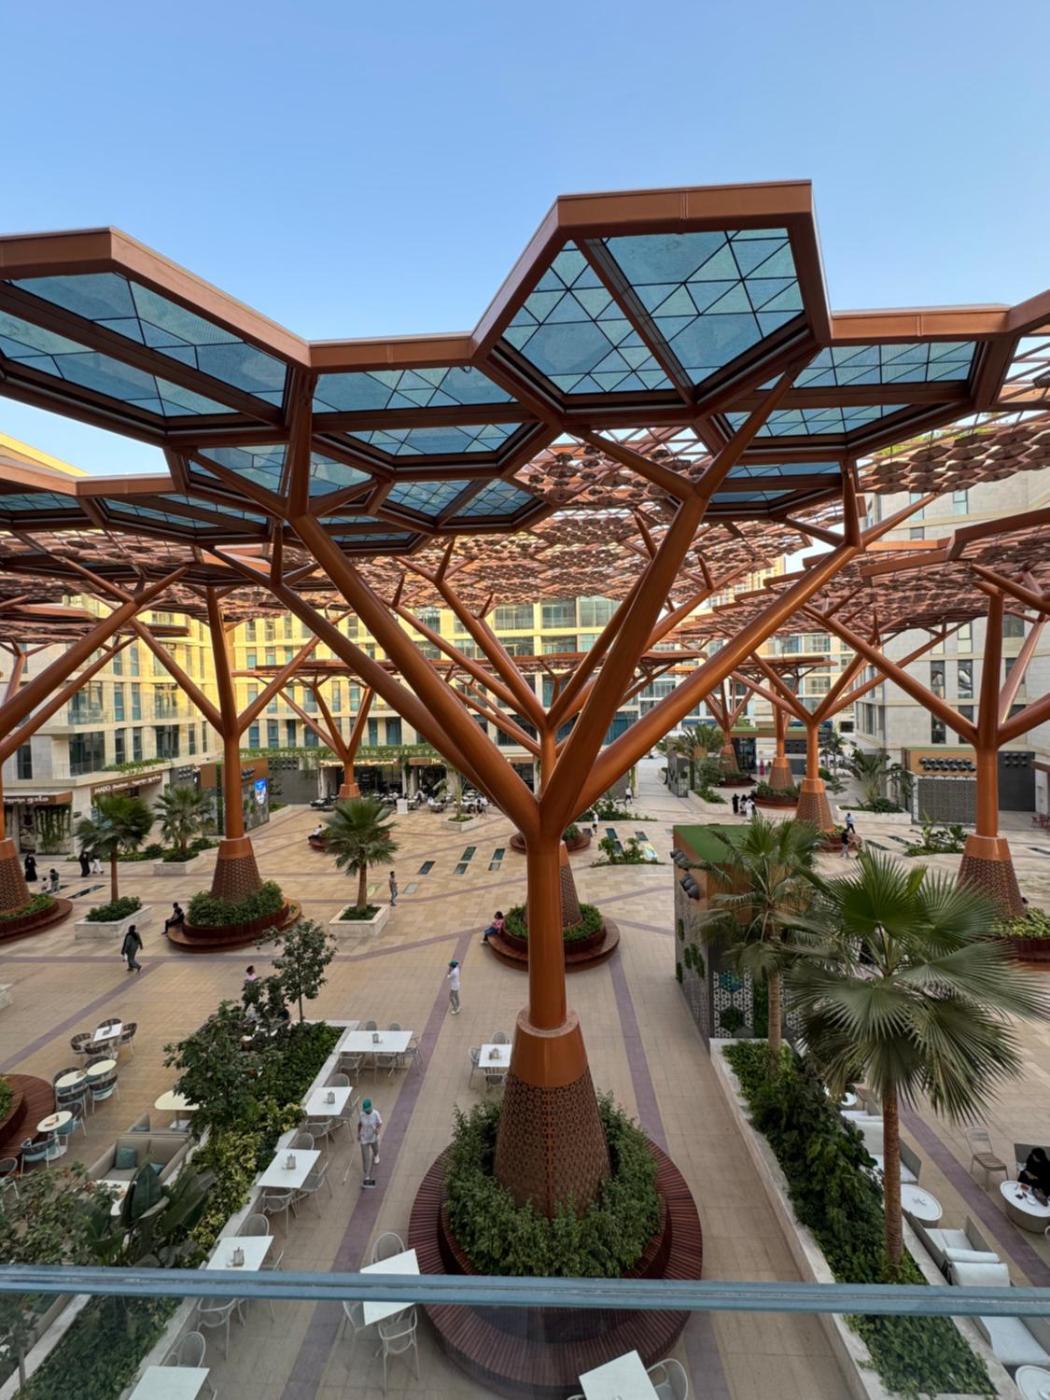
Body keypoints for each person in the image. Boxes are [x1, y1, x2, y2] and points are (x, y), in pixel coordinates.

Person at [358, 1097, 382, 1188]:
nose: (367, 1111)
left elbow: (380, 1123)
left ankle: (376, 1155)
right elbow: (359, 1124)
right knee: (365, 1157)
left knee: (375, 1149)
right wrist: (358, 1134)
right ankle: (366, 1177)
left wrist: (377, 1130)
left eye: (368, 1110)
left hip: (373, 1137)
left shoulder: (376, 1114)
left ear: (371, 1107)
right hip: (364, 1138)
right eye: (365, 1110)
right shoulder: (362, 1114)